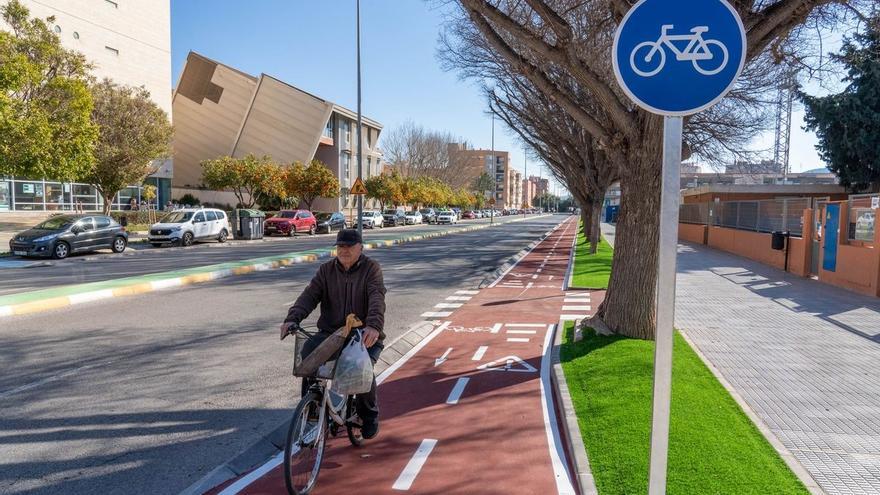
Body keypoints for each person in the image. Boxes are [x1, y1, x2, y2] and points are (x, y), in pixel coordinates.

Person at [280, 229, 386, 439]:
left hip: (362, 335)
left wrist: (373, 325)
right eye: (340, 247)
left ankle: (369, 415)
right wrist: (292, 318)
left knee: (363, 371)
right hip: (332, 334)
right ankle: (312, 408)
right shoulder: (326, 270)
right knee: (309, 357)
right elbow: (309, 295)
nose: (344, 250)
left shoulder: (371, 269)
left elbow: (377, 297)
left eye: (349, 246)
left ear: (360, 248)